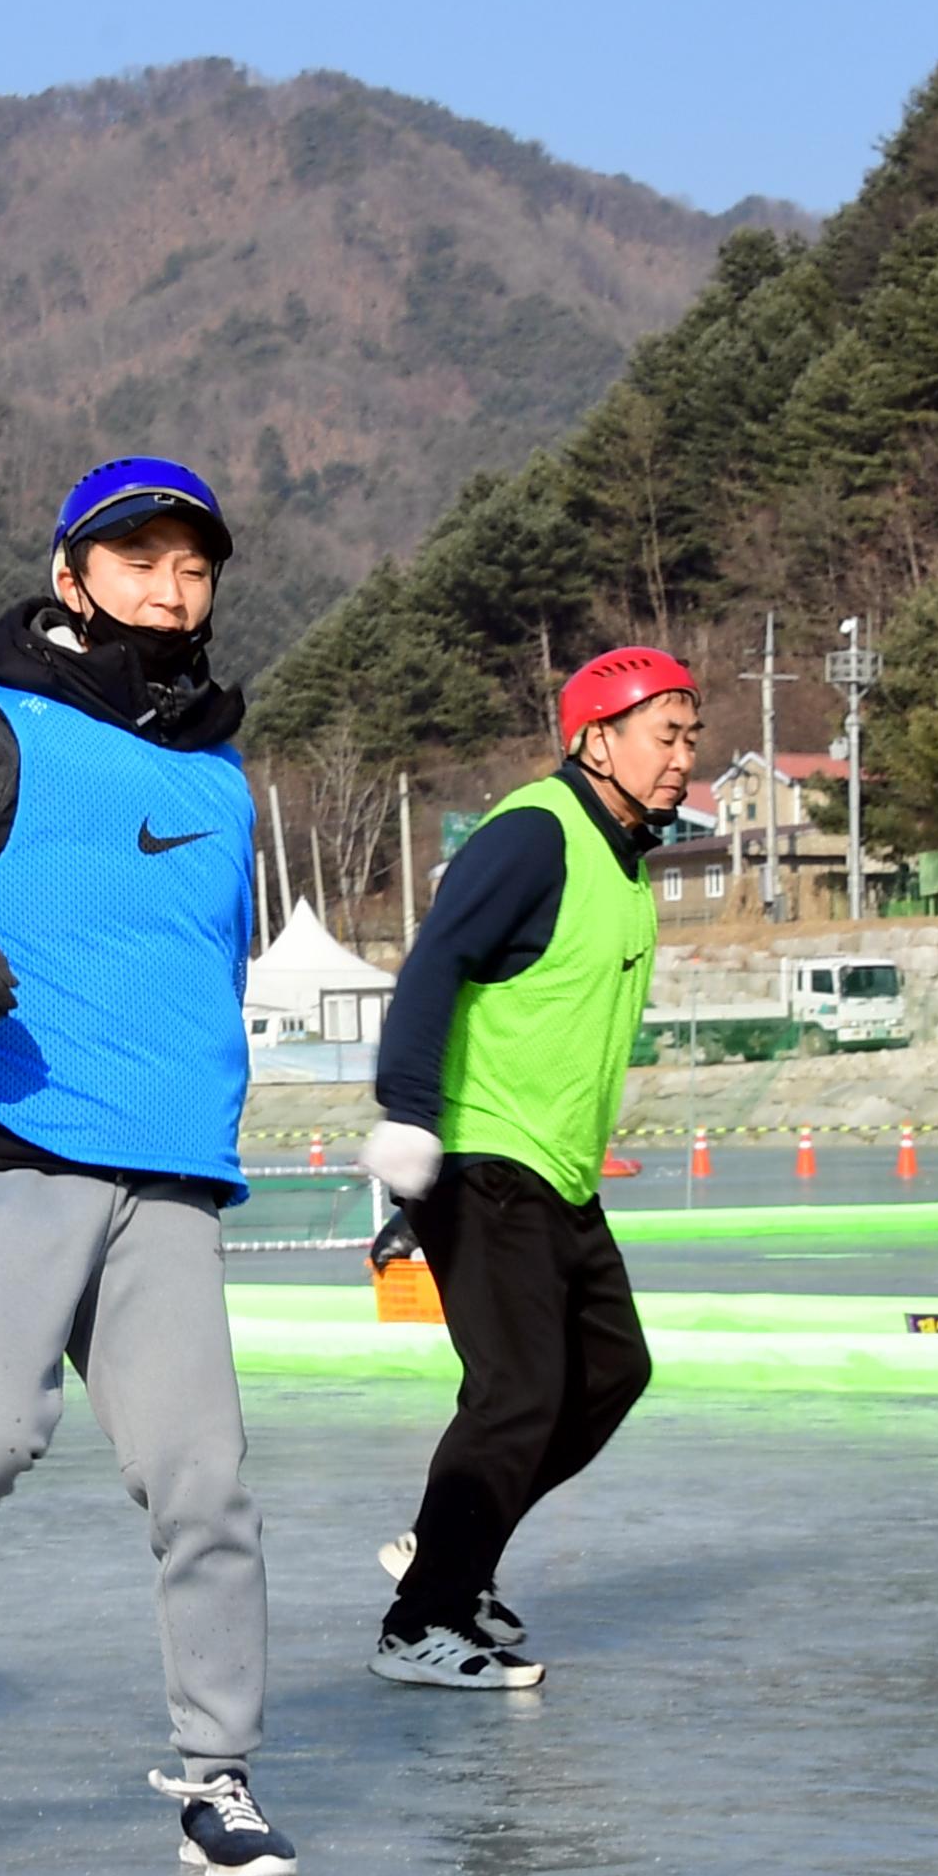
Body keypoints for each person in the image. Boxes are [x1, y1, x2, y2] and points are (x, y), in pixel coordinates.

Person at [0, 457, 295, 1876]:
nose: (170, 585)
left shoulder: (217, 765)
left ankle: (219, 1775)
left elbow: (201, 960)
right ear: (71, 575)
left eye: (193, 566)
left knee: (202, 1479)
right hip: (12, 1127)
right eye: (138, 558)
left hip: (168, 1159)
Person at [357, 649, 694, 1689]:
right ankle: (421, 1622)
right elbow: (434, 964)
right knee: (516, 1393)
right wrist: (409, 1121)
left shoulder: (626, 860)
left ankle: (455, 1553)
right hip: (480, 1155)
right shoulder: (534, 832)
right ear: (597, 740)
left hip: (558, 1173)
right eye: (663, 734)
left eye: (691, 734)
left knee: (610, 1372)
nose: (684, 756)